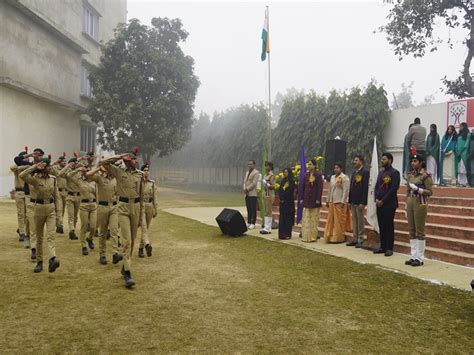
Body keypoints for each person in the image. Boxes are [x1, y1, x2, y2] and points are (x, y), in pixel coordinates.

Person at [99, 150, 144, 289]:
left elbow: (141, 196)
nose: (135, 161)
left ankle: (125, 266)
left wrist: (141, 213)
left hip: (135, 207)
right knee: (126, 241)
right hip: (123, 208)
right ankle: (128, 274)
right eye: (132, 159)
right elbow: (103, 163)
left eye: (135, 159)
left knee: (132, 241)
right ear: (126, 160)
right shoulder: (118, 171)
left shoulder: (140, 175)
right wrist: (120, 156)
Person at [19, 158, 60, 273]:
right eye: (47, 166)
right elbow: (22, 175)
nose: (49, 168)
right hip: (38, 209)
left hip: (51, 208)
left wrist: (59, 215)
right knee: (39, 237)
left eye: (49, 166)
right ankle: (39, 262)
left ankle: (52, 259)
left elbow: (57, 197)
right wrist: (35, 167)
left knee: (51, 235)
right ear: (43, 167)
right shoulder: (35, 179)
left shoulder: (53, 179)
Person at [86, 164, 122, 265]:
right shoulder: (99, 177)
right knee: (103, 232)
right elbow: (88, 174)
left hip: (114, 207)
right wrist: (98, 167)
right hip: (102, 207)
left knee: (114, 231)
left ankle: (115, 253)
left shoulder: (116, 178)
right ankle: (102, 255)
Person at [405, 153, 433, 267]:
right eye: (412, 161)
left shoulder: (426, 176)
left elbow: (430, 192)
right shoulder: (410, 175)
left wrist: (418, 189)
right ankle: (413, 256)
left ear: (421, 163)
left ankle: (420, 258)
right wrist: (406, 204)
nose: (413, 163)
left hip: (420, 203)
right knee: (411, 230)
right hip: (411, 201)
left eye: (415, 161)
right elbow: (407, 190)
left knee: (419, 231)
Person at [67, 164, 98, 255]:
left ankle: (90, 239)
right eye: (85, 171)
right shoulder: (79, 180)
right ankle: (84, 245)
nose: (86, 172)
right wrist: (78, 169)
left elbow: (97, 194)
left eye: (88, 171)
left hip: (93, 205)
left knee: (93, 226)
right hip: (84, 205)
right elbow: (69, 175)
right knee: (84, 226)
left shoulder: (94, 181)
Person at [374, 153, 400, 256]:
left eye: (384, 159)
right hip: (379, 204)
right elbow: (376, 187)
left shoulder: (395, 173)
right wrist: (376, 198)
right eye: (382, 159)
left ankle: (389, 248)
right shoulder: (381, 173)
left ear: (390, 160)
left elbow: (393, 189)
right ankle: (382, 246)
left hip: (389, 204)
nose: (382, 161)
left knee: (389, 226)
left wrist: (383, 200)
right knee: (381, 226)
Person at [19, 148, 44, 257]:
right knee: (31, 220)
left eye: (39, 155)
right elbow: (17, 160)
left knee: (31, 221)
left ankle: (27, 236)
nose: (37, 156)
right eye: (35, 154)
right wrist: (29, 155)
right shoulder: (28, 164)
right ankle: (34, 248)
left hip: (40, 197)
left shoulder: (44, 165)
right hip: (29, 196)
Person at [324, 162, 351, 243]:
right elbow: (330, 189)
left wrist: (343, 201)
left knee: (339, 221)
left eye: (337, 168)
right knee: (331, 220)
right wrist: (328, 200)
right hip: (333, 201)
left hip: (340, 201)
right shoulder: (332, 177)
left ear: (341, 169)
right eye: (335, 168)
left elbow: (346, 190)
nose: (336, 169)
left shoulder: (344, 177)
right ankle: (331, 236)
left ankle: (339, 237)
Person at [347, 154, 369, 248]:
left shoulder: (365, 172)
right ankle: (355, 238)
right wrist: (349, 200)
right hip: (353, 200)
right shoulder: (354, 173)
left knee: (360, 221)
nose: (354, 162)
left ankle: (361, 238)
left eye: (356, 160)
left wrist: (363, 202)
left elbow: (365, 188)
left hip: (360, 201)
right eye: (354, 160)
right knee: (354, 220)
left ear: (361, 161)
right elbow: (351, 187)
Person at [299, 159, 323, 242]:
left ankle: (313, 237)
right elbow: (302, 187)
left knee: (313, 219)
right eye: (308, 165)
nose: (308, 166)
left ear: (315, 166)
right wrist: (301, 198)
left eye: (310, 164)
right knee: (306, 218)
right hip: (306, 199)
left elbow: (320, 188)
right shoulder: (306, 175)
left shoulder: (318, 175)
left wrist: (318, 199)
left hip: (314, 199)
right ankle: (305, 236)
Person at [58, 158, 81, 240]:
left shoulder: (80, 172)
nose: (76, 164)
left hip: (78, 196)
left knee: (75, 216)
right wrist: (68, 165)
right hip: (70, 196)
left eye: (76, 163)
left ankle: (73, 229)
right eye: (74, 163)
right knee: (71, 215)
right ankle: (72, 230)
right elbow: (59, 174)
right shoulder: (68, 172)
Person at [10, 150, 29, 242]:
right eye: (25, 158)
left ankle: (21, 228)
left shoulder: (30, 167)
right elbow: (12, 167)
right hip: (19, 192)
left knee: (28, 214)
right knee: (21, 213)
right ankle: (22, 232)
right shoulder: (17, 167)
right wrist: (21, 163)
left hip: (28, 193)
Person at [138, 163, 156, 258]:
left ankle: (141, 248)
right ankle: (145, 245)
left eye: (147, 170)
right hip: (141, 206)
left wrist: (155, 209)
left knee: (146, 228)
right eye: (144, 170)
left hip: (149, 206)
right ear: (141, 172)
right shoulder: (138, 182)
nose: (146, 172)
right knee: (144, 227)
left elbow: (154, 197)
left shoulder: (151, 183)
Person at [51, 156, 68, 234]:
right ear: (59, 162)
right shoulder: (55, 168)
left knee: (63, 209)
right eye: (63, 161)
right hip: (58, 191)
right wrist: (55, 162)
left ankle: (59, 224)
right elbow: (49, 168)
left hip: (65, 191)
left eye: (65, 161)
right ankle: (59, 225)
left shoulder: (68, 169)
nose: (64, 162)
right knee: (59, 208)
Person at [278, 168, 295, 240]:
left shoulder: (291, 181)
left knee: (288, 219)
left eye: (287, 172)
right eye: (284, 172)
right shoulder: (283, 181)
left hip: (288, 202)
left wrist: (284, 197)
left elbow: (290, 191)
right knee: (282, 219)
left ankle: (287, 234)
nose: (285, 173)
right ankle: (281, 234)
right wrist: (281, 197)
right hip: (282, 203)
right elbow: (280, 190)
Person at [260, 161, 276, 235]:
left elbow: (273, 186)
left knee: (269, 210)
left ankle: (268, 227)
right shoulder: (265, 175)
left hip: (269, 194)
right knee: (266, 210)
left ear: (270, 167)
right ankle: (266, 227)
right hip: (265, 194)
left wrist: (267, 184)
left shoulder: (271, 175)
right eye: (266, 166)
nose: (266, 167)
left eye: (268, 166)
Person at [243, 160, 259, 229]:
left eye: (251, 164)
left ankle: (253, 223)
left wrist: (247, 189)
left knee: (253, 209)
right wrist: (244, 188)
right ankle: (249, 221)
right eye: (249, 164)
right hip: (247, 194)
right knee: (248, 208)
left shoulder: (256, 172)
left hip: (253, 193)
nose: (249, 165)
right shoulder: (247, 173)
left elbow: (254, 183)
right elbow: (244, 182)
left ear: (254, 165)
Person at [455, 122, 471, 186]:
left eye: (461, 126)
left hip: (464, 153)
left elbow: (466, 145)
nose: (460, 128)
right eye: (460, 126)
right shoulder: (459, 134)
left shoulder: (468, 134)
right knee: (459, 168)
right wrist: (457, 151)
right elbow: (457, 144)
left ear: (464, 127)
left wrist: (461, 151)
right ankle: (459, 182)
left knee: (464, 168)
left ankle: (464, 182)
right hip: (458, 153)